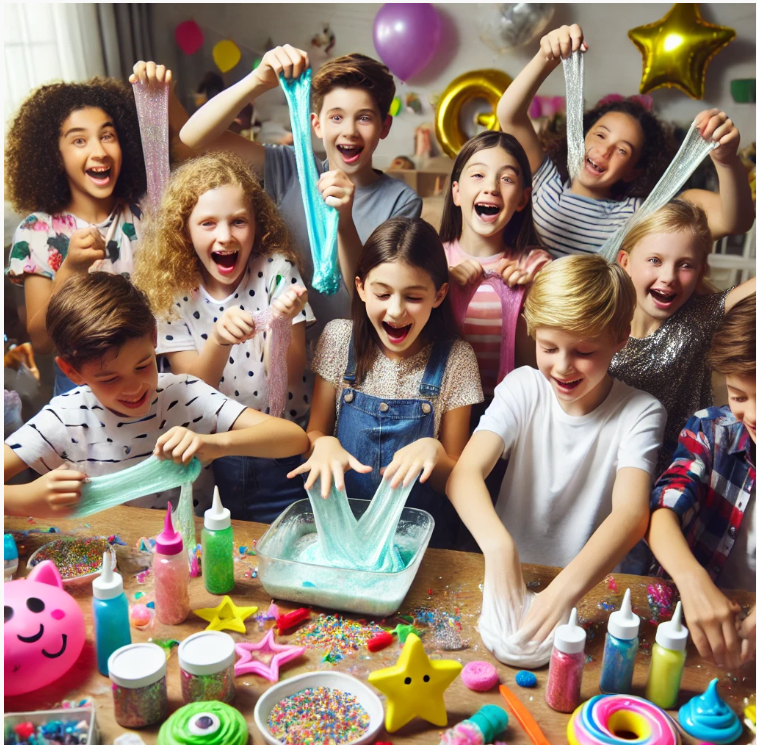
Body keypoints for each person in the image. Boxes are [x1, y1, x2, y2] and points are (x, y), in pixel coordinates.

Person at [447, 255, 666, 645]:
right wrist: (499, 549)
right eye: (549, 348)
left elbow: (631, 514)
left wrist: (564, 591)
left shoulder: (640, 412)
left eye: (583, 352)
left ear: (620, 338)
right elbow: (464, 476)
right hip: (510, 574)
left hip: (591, 587)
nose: (563, 367)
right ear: (533, 333)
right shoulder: (523, 388)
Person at [3, 273, 310, 519]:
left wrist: (212, 445)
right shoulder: (65, 418)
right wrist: (24, 499)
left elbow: (293, 438)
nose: (134, 387)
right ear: (72, 372)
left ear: (153, 338)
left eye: (142, 365)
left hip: (186, 557)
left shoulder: (185, 394)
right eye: (109, 378)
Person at [179, 46, 422, 339]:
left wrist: (344, 221)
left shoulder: (401, 202)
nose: (350, 131)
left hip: (349, 362)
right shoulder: (288, 168)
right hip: (281, 355)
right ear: (316, 125)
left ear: (385, 127)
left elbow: (374, 296)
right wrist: (257, 80)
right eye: (336, 117)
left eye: (364, 118)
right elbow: (192, 138)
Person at [132, 151, 314, 523]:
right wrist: (218, 340)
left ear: (257, 225)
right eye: (208, 223)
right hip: (212, 456)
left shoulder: (278, 272)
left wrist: (279, 327)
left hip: (282, 452)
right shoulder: (172, 291)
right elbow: (193, 389)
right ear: (184, 230)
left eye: (239, 222)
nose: (225, 236)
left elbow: (291, 376)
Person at [287, 218, 483, 548]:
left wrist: (434, 452)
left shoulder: (457, 359)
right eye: (383, 293)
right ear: (362, 288)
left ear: (439, 294)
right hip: (342, 534)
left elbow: (457, 479)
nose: (396, 311)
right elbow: (314, 433)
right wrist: (322, 444)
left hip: (420, 544)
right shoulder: (338, 339)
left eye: (413, 297)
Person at [497, 24, 755, 257]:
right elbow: (510, 114)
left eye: (622, 150)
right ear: (580, 135)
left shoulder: (639, 215)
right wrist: (547, 55)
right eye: (600, 135)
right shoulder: (545, 181)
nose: (605, 150)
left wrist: (726, 160)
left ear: (634, 172)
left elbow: (735, 221)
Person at [5, 77, 148, 395]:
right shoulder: (35, 233)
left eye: (107, 135)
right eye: (79, 141)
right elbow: (41, 341)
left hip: (151, 378)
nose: (99, 151)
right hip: (81, 392)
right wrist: (70, 269)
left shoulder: (146, 211)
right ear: (54, 155)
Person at [648, 295, 755, 670]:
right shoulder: (712, 429)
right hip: (690, 633)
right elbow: (664, 511)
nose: (751, 415)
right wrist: (692, 580)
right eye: (739, 396)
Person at [612, 199, 756, 470]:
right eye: (655, 260)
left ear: (701, 270)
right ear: (625, 262)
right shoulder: (599, 321)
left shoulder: (700, 317)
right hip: (608, 466)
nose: (668, 276)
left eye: (686, 265)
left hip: (685, 470)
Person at [440, 130, 552, 398]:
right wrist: (440, 286)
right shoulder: (433, 260)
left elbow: (551, 357)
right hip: (444, 407)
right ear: (456, 192)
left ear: (523, 199)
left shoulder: (537, 267)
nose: (491, 187)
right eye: (478, 175)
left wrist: (531, 297)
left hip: (514, 410)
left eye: (506, 178)